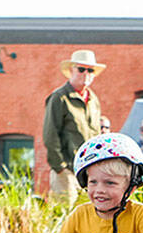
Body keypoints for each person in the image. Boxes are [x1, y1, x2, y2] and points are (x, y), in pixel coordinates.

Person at [42, 49, 104, 203]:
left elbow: (96, 135)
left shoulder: (93, 100)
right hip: (67, 170)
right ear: (71, 71)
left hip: (89, 171)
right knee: (65, 216)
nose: (86, 74)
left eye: (90, 70)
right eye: (81, 69)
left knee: (88, 217)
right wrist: (60, 167)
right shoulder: (59, 98)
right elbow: (50, 134)